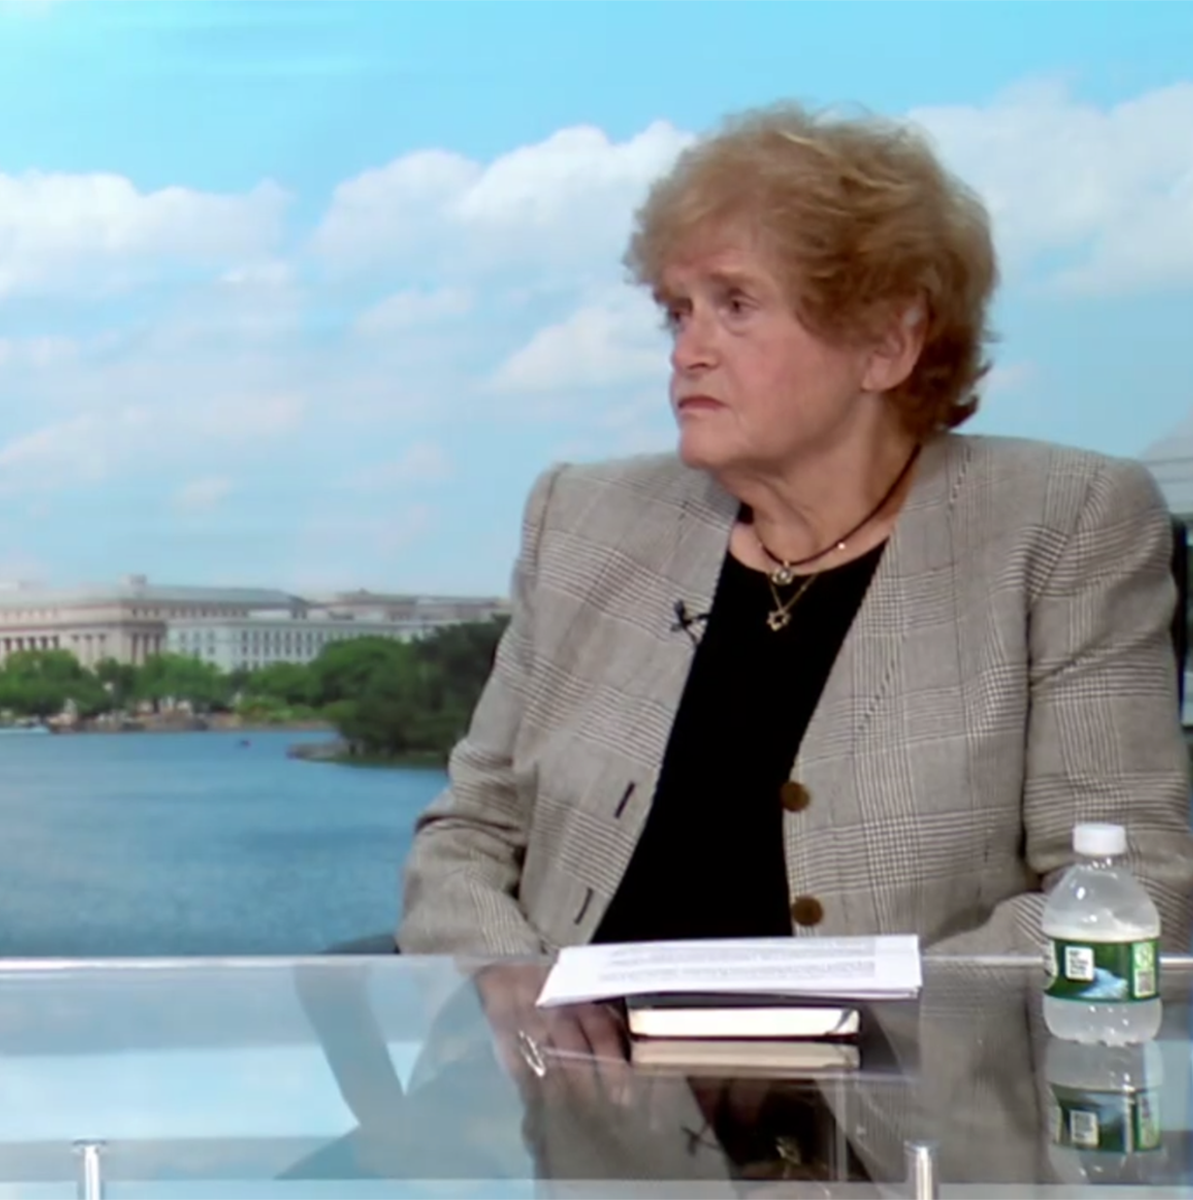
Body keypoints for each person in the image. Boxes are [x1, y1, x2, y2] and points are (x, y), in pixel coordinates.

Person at [399, 102, 1193, 970]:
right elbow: (468, 836)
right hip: (578, 1089)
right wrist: (515, 995)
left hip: (904, 1093)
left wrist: (855, 1012)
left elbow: (1132, 888)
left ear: (887, 343)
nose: (687, 352)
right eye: (678, 312)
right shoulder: (585, 518)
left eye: (735, 305)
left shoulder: (1062, 523)